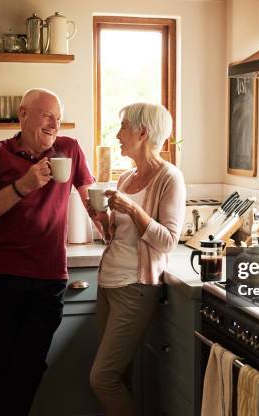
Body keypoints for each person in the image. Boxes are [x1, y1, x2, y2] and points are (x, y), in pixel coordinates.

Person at [0, 88, 101, 416]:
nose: (55, 123)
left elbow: (90, 199)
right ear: (23, 115)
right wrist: (23, 186)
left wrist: (111, 227)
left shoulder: (68, 150)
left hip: (47, 280)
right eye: (47, 115)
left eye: (58, 117)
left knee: (28, 369)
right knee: (2, 371)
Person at [89, 102, 186, 416]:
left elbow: (168, 241)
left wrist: (132, 209)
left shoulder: (170, 178)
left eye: (124, 128)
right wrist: (102, 220)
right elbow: (118, 238)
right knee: (119, 377)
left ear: (143, 132)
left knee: (102, 378)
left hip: (135, 288)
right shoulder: (126, 179)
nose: (118, 135)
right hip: (108, 284)